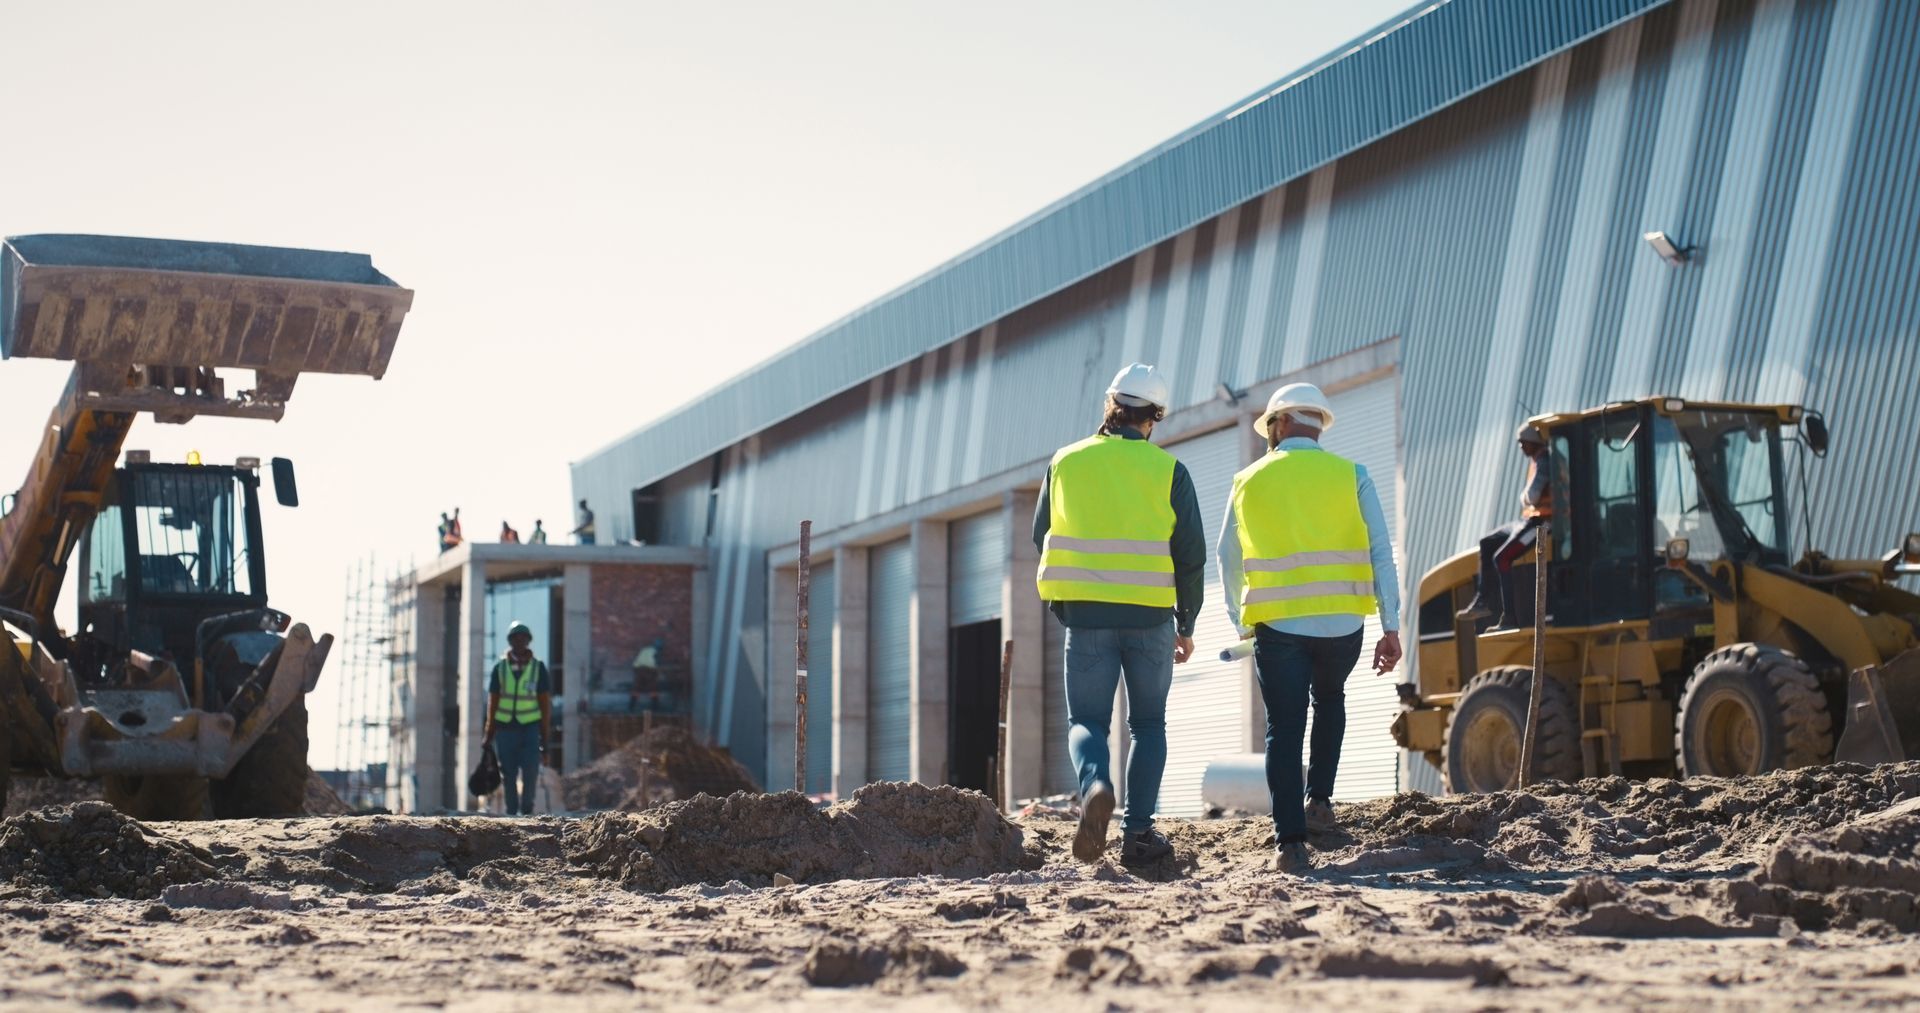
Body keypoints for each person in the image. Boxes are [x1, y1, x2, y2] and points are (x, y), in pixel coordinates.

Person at [1218, 382, 1401, 874]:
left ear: (1278, 424)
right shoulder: (1352, 475)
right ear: (1318, 425)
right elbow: (1381, 551)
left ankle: (1291, 842)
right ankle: (1319, 802)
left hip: (1278, 625)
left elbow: (1226, 557)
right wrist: (1392, 625)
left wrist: (1242, 620)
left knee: (1284, 724)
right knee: (1331, 701)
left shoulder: (1248, 480)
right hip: (1342, 624)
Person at [1033, 363, 1206, 867]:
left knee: (1087, 720)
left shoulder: (1065, 462)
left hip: (1086, 619)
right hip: (1151, 618)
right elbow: (1190, 554)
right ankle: (1139, 835)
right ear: (1152, 418)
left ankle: (1095, 786)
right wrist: (1186, 622)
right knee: (1148, 726)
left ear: (1110, 406)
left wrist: (1062, 601)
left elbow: (1040, 536)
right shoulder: (1170, 471)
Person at [1458, 423, 1552, 629]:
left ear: (1532, 441)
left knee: (1502, 558)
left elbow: (1532, 495)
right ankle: (1482, 601)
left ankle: (1509, 618)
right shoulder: (1537, 460)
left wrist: (1524, 497)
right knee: (1487, 542)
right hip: (1528, 519)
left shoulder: (1544, 461)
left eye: (1522, 442)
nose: (1520, 447)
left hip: (1541, 523)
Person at [482, 621, 552, 816]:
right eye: (516, 638)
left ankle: (527, 811)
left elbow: (545, 706)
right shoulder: (500, 669)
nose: (520, 642)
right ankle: (512, 813)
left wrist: (545, 741)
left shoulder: (538, 668)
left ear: (528, 641)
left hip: (529, 730)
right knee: (508, 773)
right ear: (510, 642)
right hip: (505, 730)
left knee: (530, 771)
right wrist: (488, 735)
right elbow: (493, 704)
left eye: (523, 638)